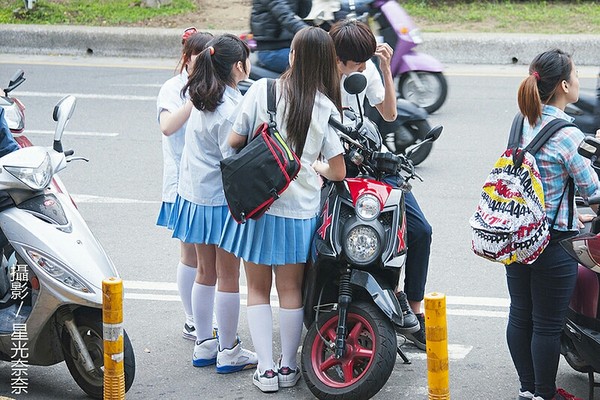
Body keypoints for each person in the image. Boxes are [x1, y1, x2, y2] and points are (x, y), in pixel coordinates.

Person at [219, 26, 346, 392]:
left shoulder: (263, 90)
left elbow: (233, 142)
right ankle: (289, 368)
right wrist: (313, 168)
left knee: (257, 289)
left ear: (291, 56)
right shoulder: (323, 105)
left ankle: (266, 369)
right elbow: (337, 169)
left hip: (259, 205)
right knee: (291, 290)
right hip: (300, 210)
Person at [329, 18, 431, 349]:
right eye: (354, 64)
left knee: (419, 231)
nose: (359, 69)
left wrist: (385, 69)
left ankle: (412, 309)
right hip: (334, 166)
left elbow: (387, 114)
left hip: (373, 162)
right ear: (336, 57)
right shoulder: (320, 74)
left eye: (364, 62)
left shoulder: (368, 68)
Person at [506, 48, 600, 400]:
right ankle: (545, 394)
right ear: (563, 85)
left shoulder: (519, 121)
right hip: (553, 243)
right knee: (547, 324)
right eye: (575, 76)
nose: (579, 82)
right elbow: (594, 193)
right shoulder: (568, 134)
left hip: (516, 235)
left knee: (520, 316)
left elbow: (531, 184)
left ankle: (527, 390)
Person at [171, 33, 258, 373]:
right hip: (221, 202)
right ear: (238, 66)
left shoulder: (203, 95)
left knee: (204, 273)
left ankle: (204, 344)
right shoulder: (231, 108)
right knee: (228, 276)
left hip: (195, 196)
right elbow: (233, 158)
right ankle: (229, 350)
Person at [156, 28, 214, 341]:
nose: (203, 62)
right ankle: (192, 318)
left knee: (211, 259)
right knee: (191, 255)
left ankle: (204, 316)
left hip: (209, 186)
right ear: (187, 58)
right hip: (181, 184)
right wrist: (194, 100)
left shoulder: (216, 85)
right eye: (198, 57)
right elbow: (167, 127)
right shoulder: (173, 88)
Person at [250, 0, 312, 73]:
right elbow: (285, 16)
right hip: (271, 50)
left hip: (289, 47)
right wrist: (311, 33)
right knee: (312, 65)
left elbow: (303, 13)